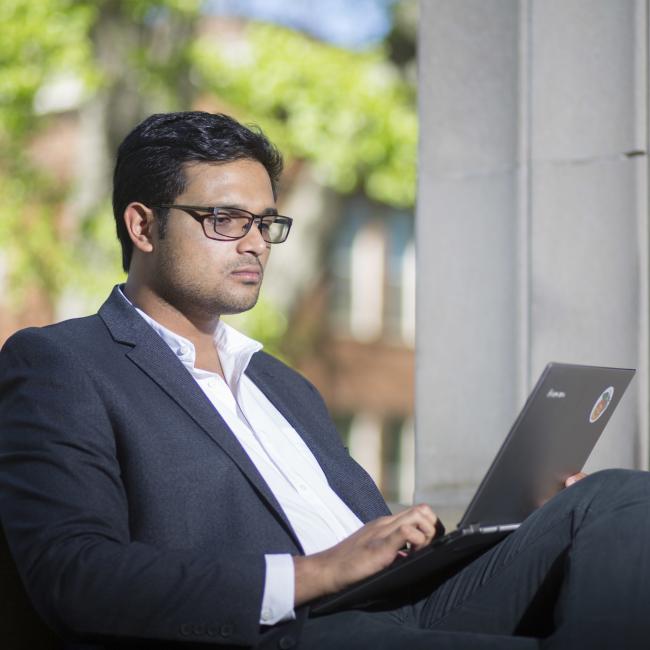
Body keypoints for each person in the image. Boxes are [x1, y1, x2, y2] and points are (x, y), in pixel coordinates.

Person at [0, 111, 649, 650]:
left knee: (614, 501)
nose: (255, 243)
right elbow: (73, 573)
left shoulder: (283, 386)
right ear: (142, 225)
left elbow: (372, 540)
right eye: (225, 219)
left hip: (403, 605)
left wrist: (513, 529)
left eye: (265, 223)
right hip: (286, 631)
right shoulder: (63, 363)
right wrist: (310, 574)